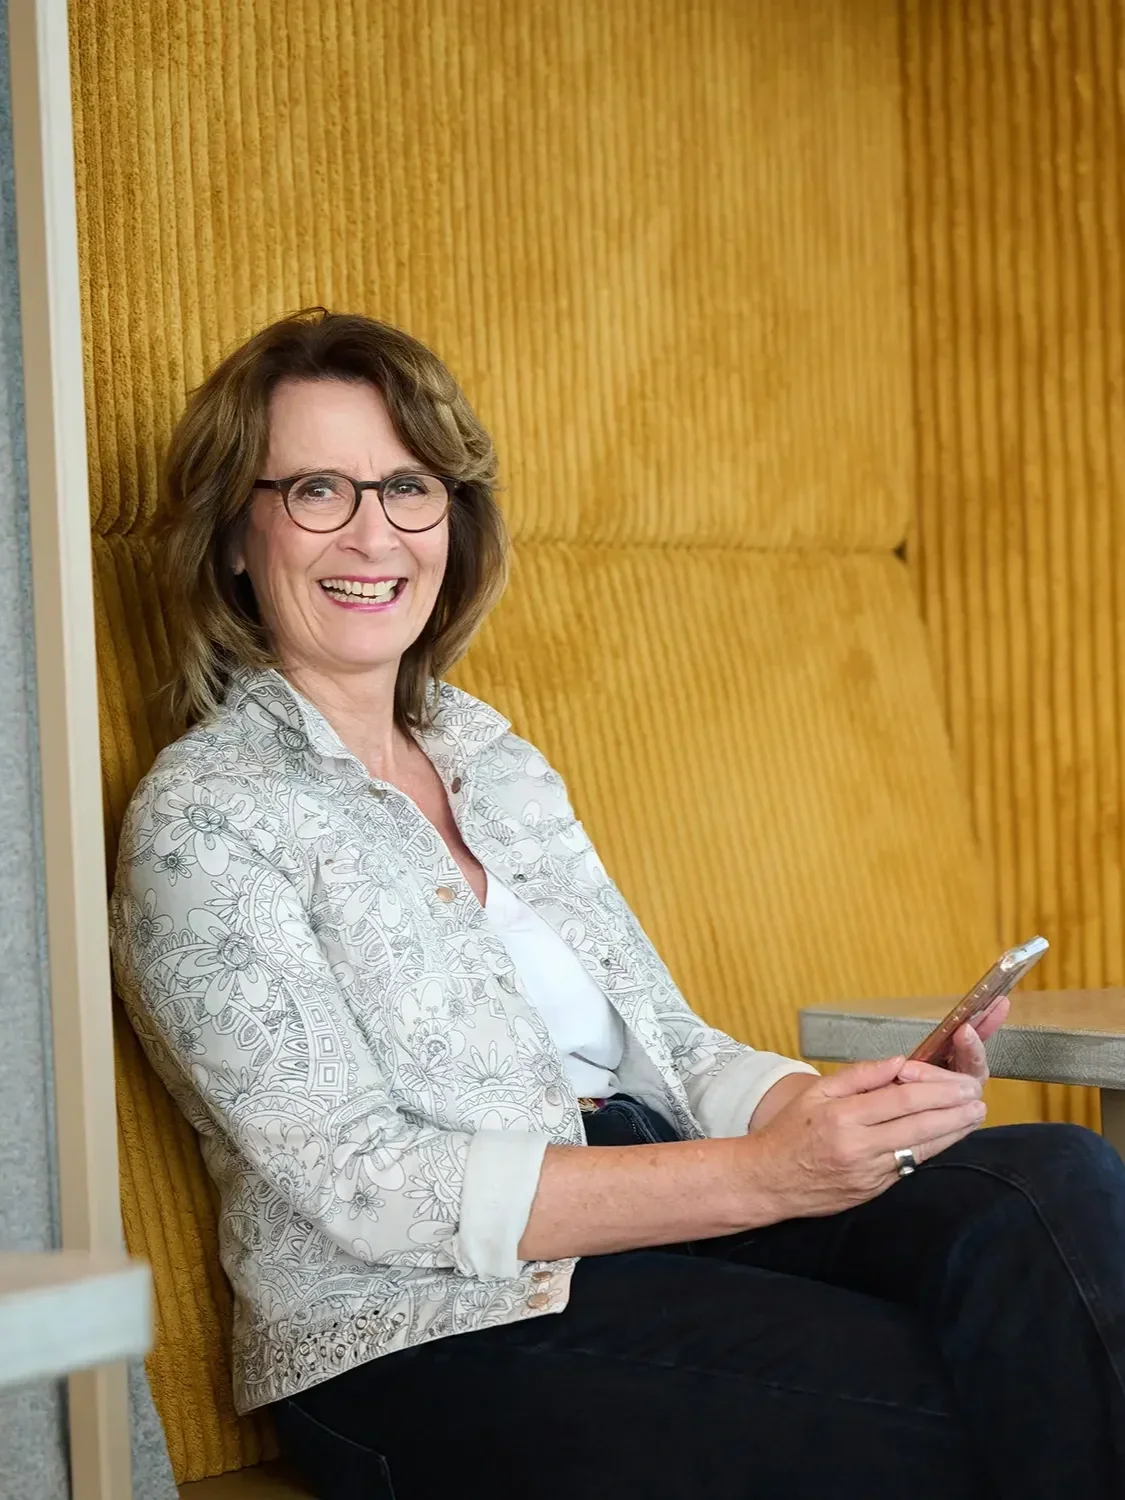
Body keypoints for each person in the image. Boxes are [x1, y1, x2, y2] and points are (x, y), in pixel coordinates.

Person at [111, 309, 1125, 1500]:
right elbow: (367, 1185)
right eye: (319, 489)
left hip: (663, 1206)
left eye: (408, 488)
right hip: (428, 1332)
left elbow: (672, 1045)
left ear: (454, 520)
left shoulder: (489, 756)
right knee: (975, 1386)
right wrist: (765, 1178)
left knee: (1052, 1180)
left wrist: (837, 1113)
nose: (375, 532)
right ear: (238, 533)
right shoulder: (205, 817)